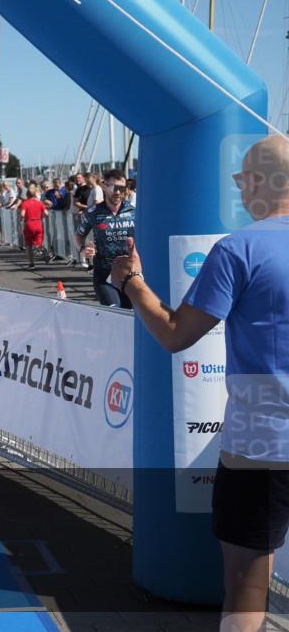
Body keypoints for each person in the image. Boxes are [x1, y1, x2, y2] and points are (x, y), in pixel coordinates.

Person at [110, 135, 289, 632]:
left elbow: (175, 334)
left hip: (261, 445)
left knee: (246, 581)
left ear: (255, 182)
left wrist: (132, 283)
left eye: (241, 180)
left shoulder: (239, 249)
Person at [74, 169, 135, 307]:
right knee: (114, 313)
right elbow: (79, 235)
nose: (118, 192)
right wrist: (83, 249)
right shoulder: (93, 212)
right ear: (104, 186)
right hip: (104, 273)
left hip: (129, 274)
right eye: (113, 188)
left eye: (121, 188)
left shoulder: (134, 211)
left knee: (129, 317)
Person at [20, 185, 49, 269]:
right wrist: (41, 216)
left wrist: (21, 219)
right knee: (38, 243)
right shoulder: (39, 203)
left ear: (27, 195)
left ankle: (31, 263)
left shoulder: (25, 203)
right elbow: (47, 213)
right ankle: (41, 250)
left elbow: (22, 214)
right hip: (38, 223)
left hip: (29, 224)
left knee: (29, 245)